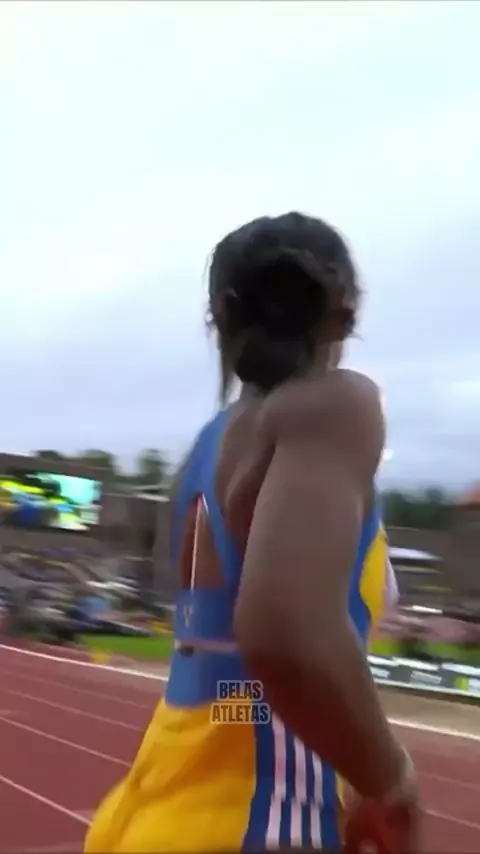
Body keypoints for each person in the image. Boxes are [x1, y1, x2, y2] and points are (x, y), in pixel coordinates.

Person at [85, 212, 419, 853]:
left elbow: (227, 671)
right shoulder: (333, 410)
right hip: (259, 821)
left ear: (221, 318)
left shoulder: (204, 453)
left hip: (151, 811)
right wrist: (391, 778)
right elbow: (283, 633)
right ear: (345, 314)